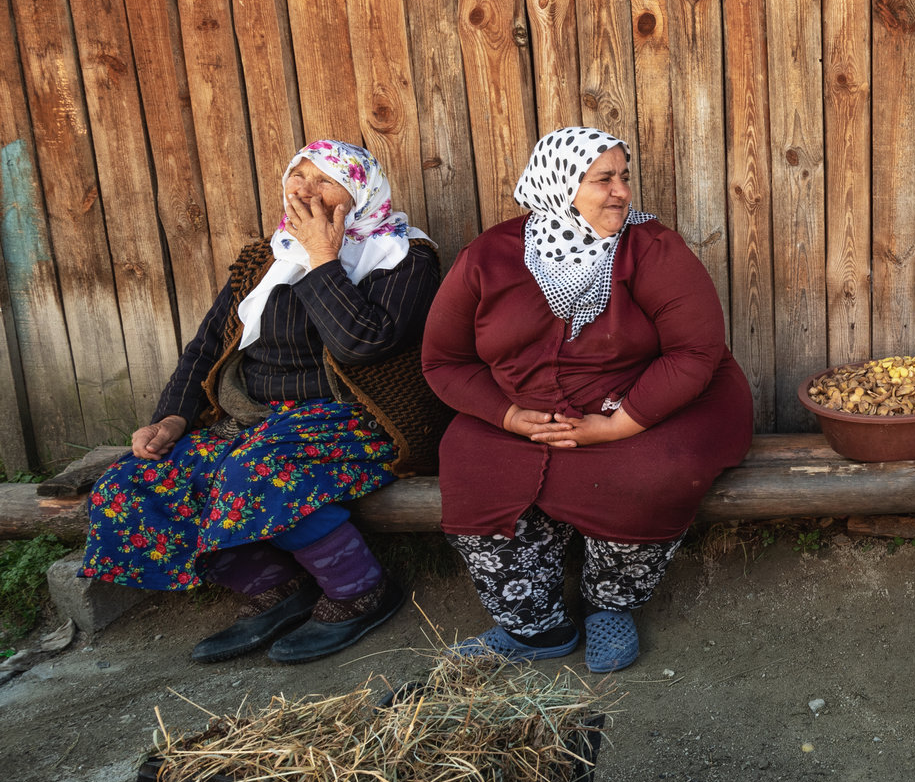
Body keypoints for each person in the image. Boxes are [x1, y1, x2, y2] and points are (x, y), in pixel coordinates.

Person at [80, 140, 442, 664]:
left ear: (360, 192)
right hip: (255, 417)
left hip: (358, 417)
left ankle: (361, 591)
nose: (306, 191)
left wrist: (323, 258)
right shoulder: (266, 257)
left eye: (326, 180)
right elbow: (209, 345)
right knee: (132, 482)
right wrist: (173, 417)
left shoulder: (404, 257)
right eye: (298, 176)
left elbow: (361, 345)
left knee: (258, 472)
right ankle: (277, 588)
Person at [423, 126, 752, 674]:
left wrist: (619, 425)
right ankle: (535, 626)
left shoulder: (651, 248)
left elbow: (695, 352)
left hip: (644, 406)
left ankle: (610, 606)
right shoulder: (490, 256)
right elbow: (444, 360)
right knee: (469, 464)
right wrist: (509, 416)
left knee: (656, 472)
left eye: (624, 177)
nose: (621, 191)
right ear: (559, 185)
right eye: (603, 179)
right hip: (521, 415)